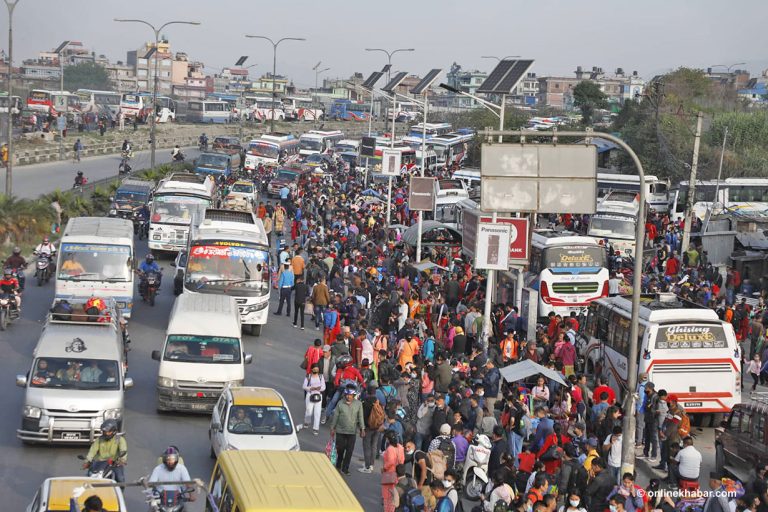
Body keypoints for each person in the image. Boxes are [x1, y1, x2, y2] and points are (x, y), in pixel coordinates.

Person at [329, 387, 365, 476]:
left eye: (351, 395)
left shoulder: (359, 404)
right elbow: (336, 416)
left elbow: (360, 417)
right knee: (340, 449)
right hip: (340, 431)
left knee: (349, 451)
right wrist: (332, 428)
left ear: (354, 395)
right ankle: (338, 464)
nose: (349, 397)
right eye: (347, 395)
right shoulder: (340, 403)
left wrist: (362, 429)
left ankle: (345, 468)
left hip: (352, 432)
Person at [382, 430, 405, 512]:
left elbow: (390, 462)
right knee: (395, 493)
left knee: (387, 495)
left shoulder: (390, 449)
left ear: (388, 439)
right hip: (398, 473)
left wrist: (384, 468)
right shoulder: (400, 447)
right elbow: (402, 460)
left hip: (389, 473)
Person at [303, 364, 325, 435]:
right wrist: (310, 388)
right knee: (309, 410)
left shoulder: (321, 377)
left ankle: (316, 428)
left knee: (317, 412)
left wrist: (318, 388)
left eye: (317, 369)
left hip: (318, 396)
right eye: (314, 369)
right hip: (310, 395)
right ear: (312, 369)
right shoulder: (308, 377)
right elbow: (304, 386)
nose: (316, 370)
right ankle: (307, 421)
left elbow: (323, 387)